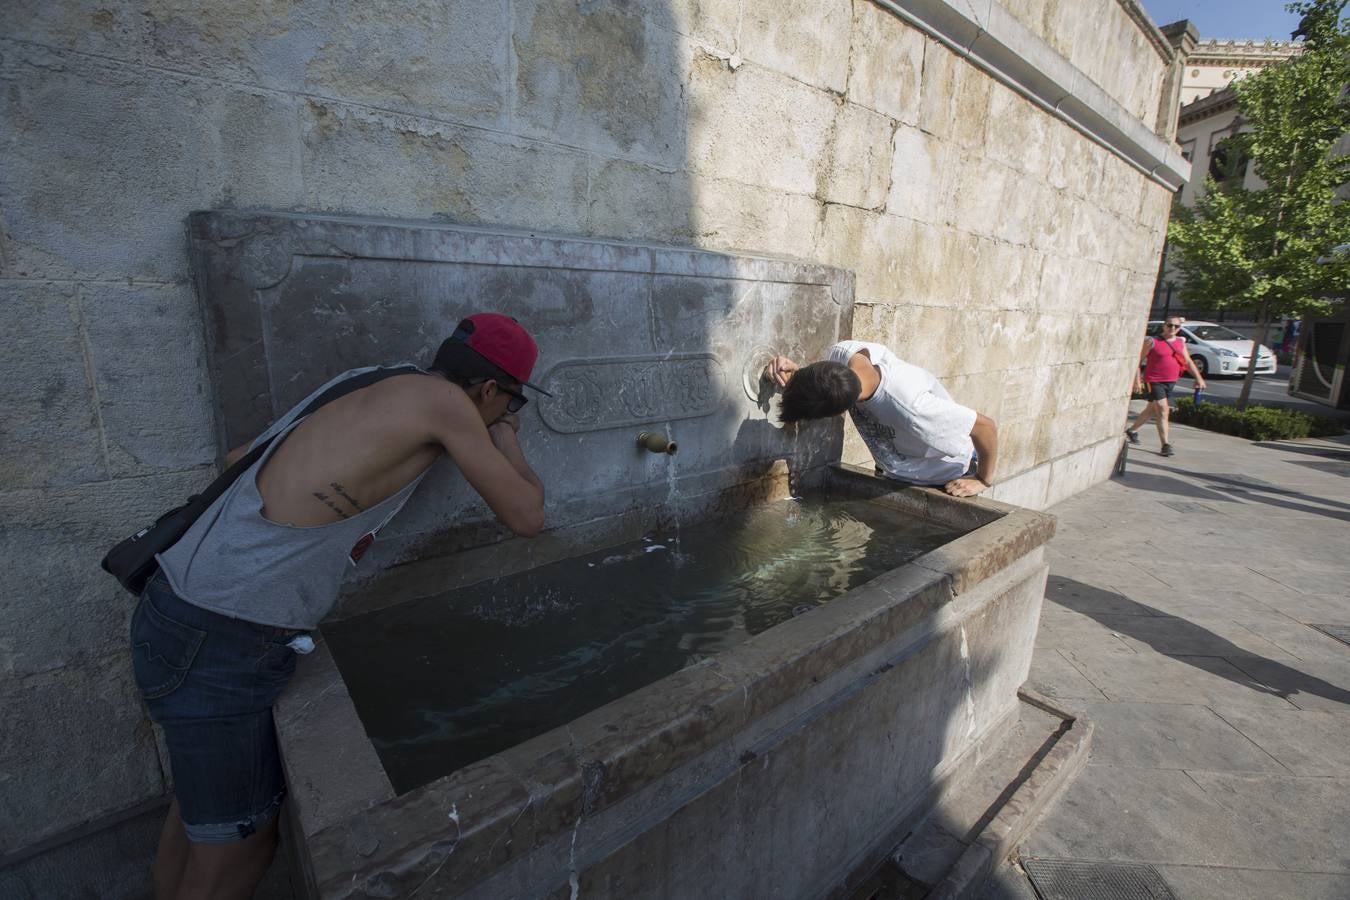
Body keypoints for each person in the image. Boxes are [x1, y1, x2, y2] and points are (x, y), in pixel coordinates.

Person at [130, 313, 548, 899]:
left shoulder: (371, 379)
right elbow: (528, 516)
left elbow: (238, 457)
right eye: (511, 403)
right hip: (225, 635)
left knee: (204, 821)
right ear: (488, 390)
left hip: (175, 609)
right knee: (242, 848)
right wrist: (506, 442)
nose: (507, 415)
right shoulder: (447, 405)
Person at [766, 340, 998, 497]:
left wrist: (982, 480)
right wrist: (797, 375)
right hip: (897, 467)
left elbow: (985, 427)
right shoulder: (844, 355)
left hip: (944, 477)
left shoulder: (912, 409)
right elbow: (828, 382)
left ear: (839, 412)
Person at [1126, 315, 1206, 457]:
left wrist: (1199, 378)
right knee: (1163, 410)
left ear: (1179, 328)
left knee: (1151, 409)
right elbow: (1138, 361)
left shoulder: (1180, 343)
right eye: (1169, 325)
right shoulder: (1152, 342)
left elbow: (1187, 362)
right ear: (1164, 326)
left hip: (1171, 381)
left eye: (1176, 326)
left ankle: (1132, 430)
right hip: (1153, 380)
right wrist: (1137, 380)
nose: (1172, 328)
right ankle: (1165, 445)